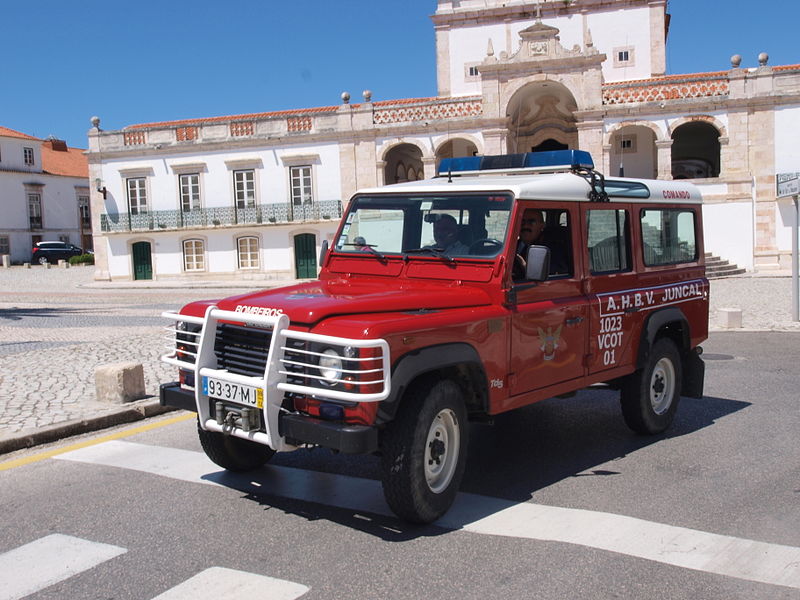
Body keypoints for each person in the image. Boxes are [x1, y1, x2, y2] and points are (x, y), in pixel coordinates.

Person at [513, 209, 546, 279]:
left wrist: (525, 266)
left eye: (531, 222)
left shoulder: (548, 249)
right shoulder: (511, 246)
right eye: (522, 221)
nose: (525, 226)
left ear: (542, 225)